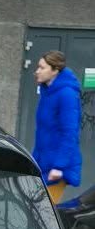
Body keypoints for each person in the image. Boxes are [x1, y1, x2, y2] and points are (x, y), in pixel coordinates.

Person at [33, 51, 82, 203]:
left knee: (43, 211)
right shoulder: (47, 92)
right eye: (38, 67)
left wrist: (59, 167)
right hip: (43, 163)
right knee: (35, 209)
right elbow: (44, 132)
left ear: (55, 70)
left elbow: (70, 133)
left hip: (57, 169)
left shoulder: (67, 94)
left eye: (42, 68)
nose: (37, 71)